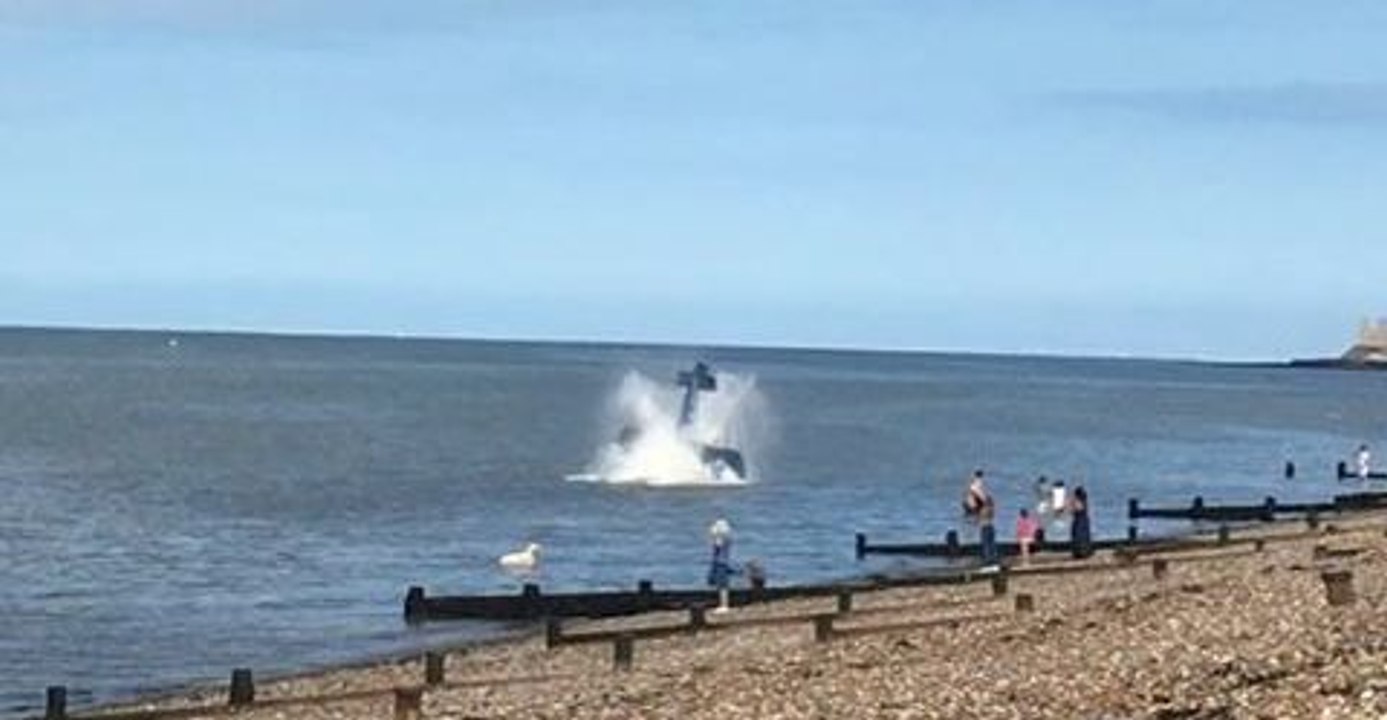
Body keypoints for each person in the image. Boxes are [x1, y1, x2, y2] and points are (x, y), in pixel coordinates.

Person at [962, 470, 999, 569]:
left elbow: (976, 498)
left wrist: (973, 507)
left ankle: (989, 562)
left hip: (985, 524)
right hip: (988, 524)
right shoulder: (988, 506)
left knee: (987, 543)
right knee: (990, 543)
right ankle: (992, 561)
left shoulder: (975, 489)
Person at [707, 518, 735, 613]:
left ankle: (724, 605)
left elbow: (717, 545)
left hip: (720, 563)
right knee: (720, 585)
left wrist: (714, 535)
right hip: (721, 562)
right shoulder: (727, 538)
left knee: (722, 586)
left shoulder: (722, 540)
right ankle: (722, 604)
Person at [1069, 485, 1092, 559]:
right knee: (1081, 536)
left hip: (1080, 521)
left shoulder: (1080, 501)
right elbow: (1073, 511)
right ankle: (1081, 552)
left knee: (1080, 536)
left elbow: (1077, 510)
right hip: (1081, 520)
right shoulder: (1081, 501)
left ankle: (1082, 552)